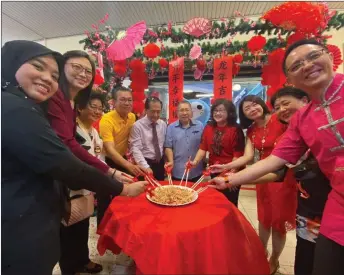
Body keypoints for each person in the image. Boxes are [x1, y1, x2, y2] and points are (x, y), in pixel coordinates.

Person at [1, 40, 147, 275]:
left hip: (33, 211)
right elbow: (63, 158)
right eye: (38, 67)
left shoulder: (32, 106)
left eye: (53, 74)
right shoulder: (13, 108)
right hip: (18, 221)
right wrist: (119, 186)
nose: (47, 78)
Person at [210, 39, 344, 275]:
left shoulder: (280, 121)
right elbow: (273, 159)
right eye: (296, 65)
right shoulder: (301, 120)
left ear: (330, 57)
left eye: (313, 56)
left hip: (290, 184)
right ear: (291, 79)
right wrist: (229, 179)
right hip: (337, 203)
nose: (306, 65)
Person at [46, 51, 135, 274]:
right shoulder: (67, 117)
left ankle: (82, 260)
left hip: (88, 185)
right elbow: (71, 149)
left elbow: (98, 156)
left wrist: (109, 172)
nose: (96, 111)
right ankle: (71, 267)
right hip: (70, 185)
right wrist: (113, 176)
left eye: (88, 71)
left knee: (83, 226)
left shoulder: (92, 131)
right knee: (68, 230)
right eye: (77, 67)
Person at [211, 95, 297, 274]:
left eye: (254, 104)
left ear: (262, 104)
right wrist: (226, 166)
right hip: (261, 175)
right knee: (264, 219)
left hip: (282, 176)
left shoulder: (279, 119)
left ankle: (275, 259)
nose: (252, 109)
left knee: (278, 223)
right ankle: (260, 252)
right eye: (247, 108)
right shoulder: (250, 130)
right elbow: (247, 157)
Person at [271, 87, 332, 275]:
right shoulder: (288, 137)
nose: (281, 109)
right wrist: (230, 178)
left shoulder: (328, 128)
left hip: (332, 210)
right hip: (306, 209)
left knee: (329, 261)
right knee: (304, 259)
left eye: (285, 103)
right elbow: (277, 170)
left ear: (305, 101)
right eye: (277, 107)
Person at [99, 86, 145, 224]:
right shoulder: (106, 120)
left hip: (123, 158)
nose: (127, 103)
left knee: (126, 192)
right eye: (123, 100)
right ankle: (103, 226)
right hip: (106, 161)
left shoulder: (132, 117)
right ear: (113, 102)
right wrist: (129, 165)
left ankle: (122, 223)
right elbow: (110, 149)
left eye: (129, 100)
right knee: (105, 195)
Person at [190, 99, 245, 206]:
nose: (217, 113)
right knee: (217, 199)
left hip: (232, 171)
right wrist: (195, 162)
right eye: (215, 111)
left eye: (221, 111)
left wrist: (230, 174)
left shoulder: (235, 129)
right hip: (214, 169)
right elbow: (203, 148)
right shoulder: (209, 126)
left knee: (230, 202)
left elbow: (238, 155)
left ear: (229, 113)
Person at [164, 100, 204, 182]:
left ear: (191, 112)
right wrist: (171, 161)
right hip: (178, 171)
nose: (184, 113)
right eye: (181, 110)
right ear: (177, 113)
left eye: (187, 110)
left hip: (196, 170)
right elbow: (168, 147)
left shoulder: (200, 126)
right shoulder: (171, 128)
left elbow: (203, 146)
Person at [129, 96, 167, 180]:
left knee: (160, 188)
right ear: (146, 110)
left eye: (158, 112)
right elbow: (136, 149)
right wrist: (145, 166)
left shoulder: (163, 124)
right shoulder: (137, 126)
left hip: (160, 163)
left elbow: (164, 145)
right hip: (145, 162)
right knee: (146, 189)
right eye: (153, 112)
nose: (156, 115)